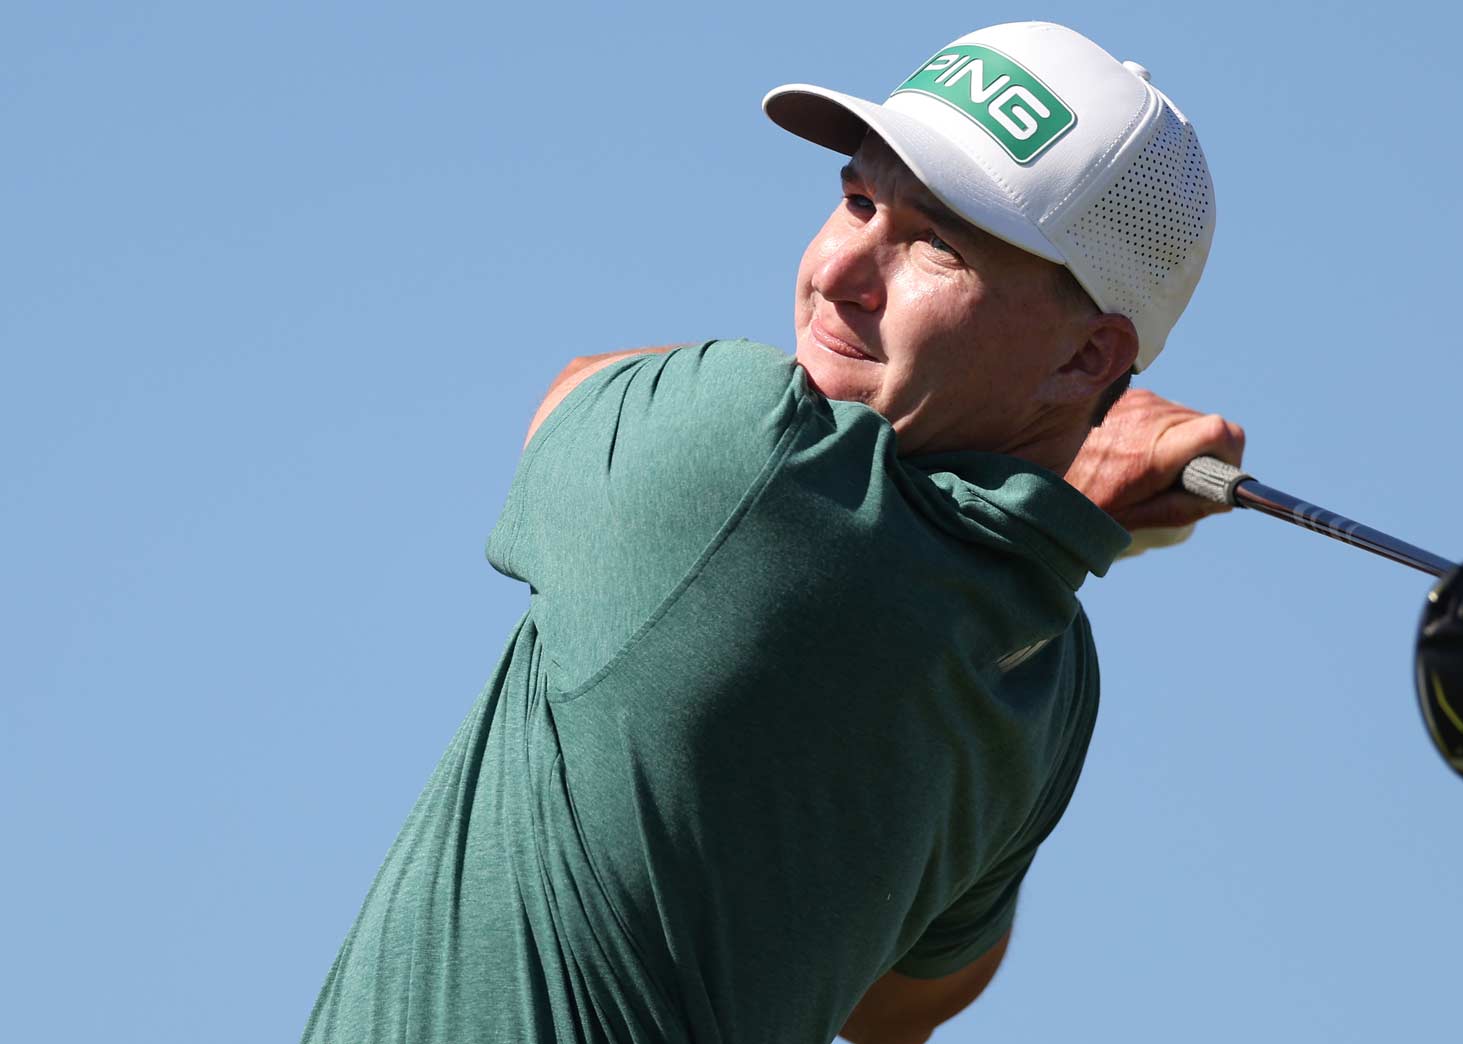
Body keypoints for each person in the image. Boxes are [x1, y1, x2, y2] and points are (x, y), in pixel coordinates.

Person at [302, 21, 1244, 1044]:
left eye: (936, 245)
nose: (841, 270)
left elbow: (567, 399)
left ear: (1084, 361)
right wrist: (1060, 501)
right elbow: (898, 1006)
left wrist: (1067, 489)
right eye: (856, 201)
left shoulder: (733, 457)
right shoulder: (1048, 679)